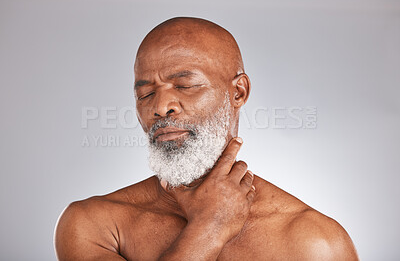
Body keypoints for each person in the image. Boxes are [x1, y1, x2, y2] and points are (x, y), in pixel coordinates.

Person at [54, 17, 358, 260]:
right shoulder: (92, 226)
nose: (160, 107)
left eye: (184, 85)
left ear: (238, 92)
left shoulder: (315, 244)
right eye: (145, 93)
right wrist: (208, 229)